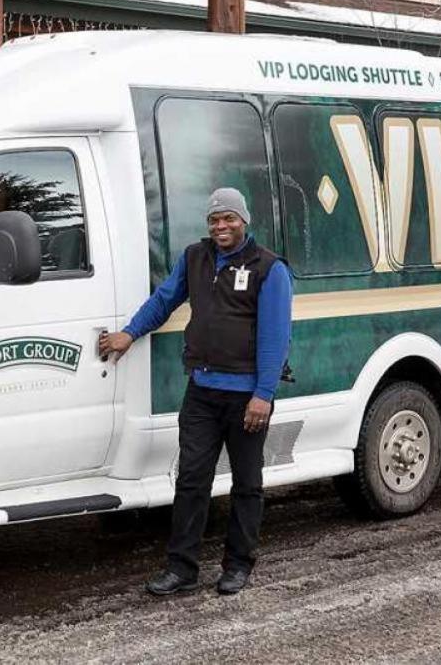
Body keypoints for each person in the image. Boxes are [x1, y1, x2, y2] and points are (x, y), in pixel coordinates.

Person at [99, 187, 292, 596]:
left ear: (244, 221)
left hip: (247, 398)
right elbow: (164, 300)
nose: (221, 226)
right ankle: (182, 569)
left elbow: (276, 337)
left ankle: (238, 566)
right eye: (214, 220)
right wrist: (129, 333)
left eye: (229, 219)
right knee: (190, 480)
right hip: (202, 391)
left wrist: (263, 394)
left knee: (246, 483)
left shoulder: (268, 268)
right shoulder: (195, 258)